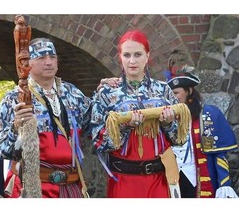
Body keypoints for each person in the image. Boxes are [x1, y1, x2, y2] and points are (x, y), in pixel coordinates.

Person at [91, 29, 189, 198]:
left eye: (138, 54)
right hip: (123, 180)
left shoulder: (163, 90)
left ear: (147, 56)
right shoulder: (107, 93)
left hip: (159, 179)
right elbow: (99, 143)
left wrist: (168, 123)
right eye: (127, 55)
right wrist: (125, 127)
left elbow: (180, 139)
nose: (132, 61)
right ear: (120, 57)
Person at [0, 37, 92, 198]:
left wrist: (107, 89)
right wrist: (15, 128)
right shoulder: (15, 98)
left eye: (52, 57)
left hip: (71, 186)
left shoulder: (72, 94)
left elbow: (96, 123)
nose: (49, 62)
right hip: (34, 186)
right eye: (41, 58)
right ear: (28, 63)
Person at [166, 65, 238, 198]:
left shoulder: (209, 114)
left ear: (189, 91)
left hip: (198, 177)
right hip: (172, 179)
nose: (172, 97)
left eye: (176, 93)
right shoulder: (166, 117)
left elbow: (219, 154)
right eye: (170, 94)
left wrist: (224, 183)